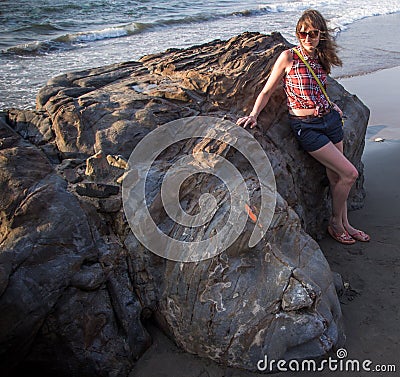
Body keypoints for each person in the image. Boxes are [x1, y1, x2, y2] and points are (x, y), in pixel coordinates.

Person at [236, 9, 370, 245]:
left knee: (336, 175)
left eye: (313, 33)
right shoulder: (288, 57)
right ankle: (336, 224)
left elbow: (320, 89)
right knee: (350, 174)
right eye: (303, 33)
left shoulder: (321, 58)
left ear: (321, 35)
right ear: (298, 34)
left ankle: (346, 224)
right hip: (307, 127)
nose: (308, 38)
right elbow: (267, 90)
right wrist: (254, 115)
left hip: (330, 120)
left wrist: (331, 105)